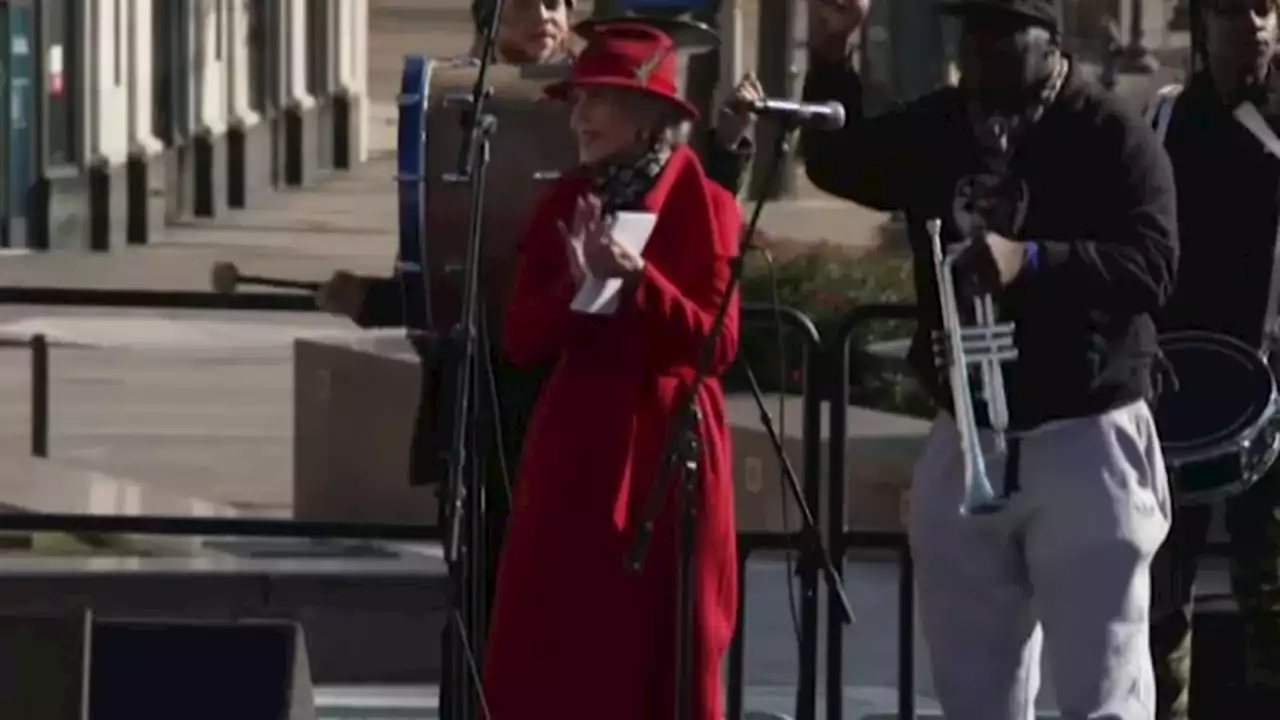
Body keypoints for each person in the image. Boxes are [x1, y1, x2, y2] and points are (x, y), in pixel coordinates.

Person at [801, 0, 1178, 718]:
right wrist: (831, 55)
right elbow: (838, 159)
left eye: (1002, 34)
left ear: (1050, 40)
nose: (978, 51)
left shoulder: (1108, 132)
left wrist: (1031, 259)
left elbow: (1154, 267)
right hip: (967, 425)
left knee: (1101, 692)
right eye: (969, 34)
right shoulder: (942, 124)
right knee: (975, 692)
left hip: (1085, 433)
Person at [480, 22, 740, 719]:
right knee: (554, 645)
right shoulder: (567, 201)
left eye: (600, 99)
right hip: (577, 447)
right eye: (577, 100)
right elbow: (519, 339)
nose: (580, 117)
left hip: (668, 446)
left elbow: (717, 345)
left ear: (649, 116)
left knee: (667, 649)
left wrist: (638, 282)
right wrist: (575, 290)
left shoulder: (706, 204)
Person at [1145, 0, 1280, 715]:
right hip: (1185, 387)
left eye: (1265, 7)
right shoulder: (1169, 119)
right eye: (1232, 8)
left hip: (1272, 389)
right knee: (1164, 595)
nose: (1253, 23)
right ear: (1202, 23)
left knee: (1272, 591)